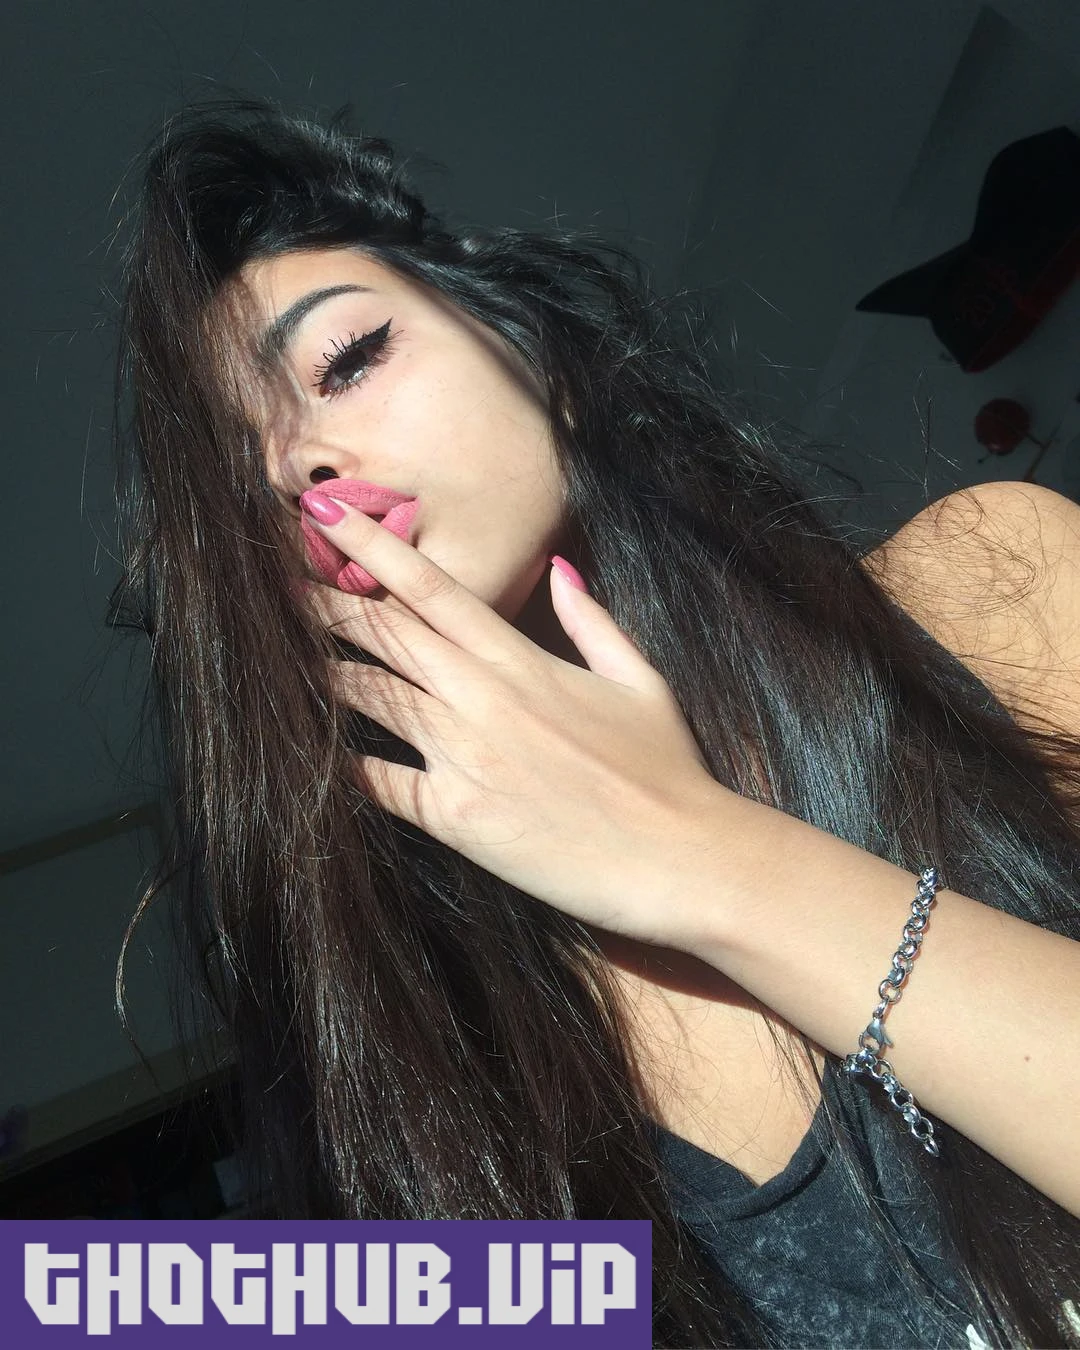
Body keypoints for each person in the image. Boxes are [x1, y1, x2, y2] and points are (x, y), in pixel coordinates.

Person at [108, 95, 1080, 1348]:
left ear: (544, 362)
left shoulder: (989, 588)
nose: (296, 466)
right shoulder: (428, 1045)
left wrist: (696, 853)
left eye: (346, 361)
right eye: (240, 494)